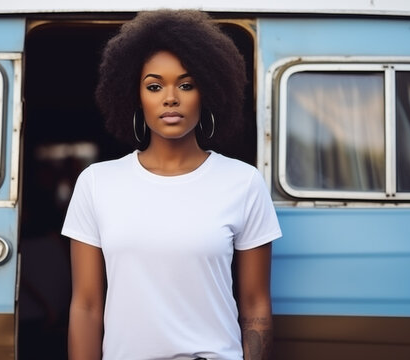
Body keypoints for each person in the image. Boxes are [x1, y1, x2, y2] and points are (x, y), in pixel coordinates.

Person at [62, 9, 282, 360]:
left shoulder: (243, 182)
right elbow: (86, 306)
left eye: (186, 84)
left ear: (206, 91)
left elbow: (255, 305)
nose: (170, 98)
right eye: (154, 86)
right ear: (135, 97)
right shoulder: (97, 183)